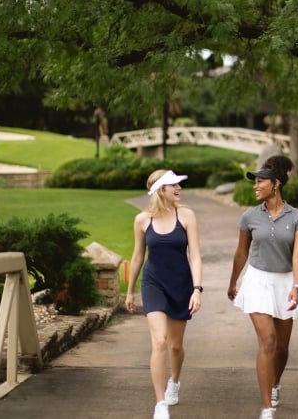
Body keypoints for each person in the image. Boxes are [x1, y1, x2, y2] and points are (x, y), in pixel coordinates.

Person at [227, 155, 298, 419]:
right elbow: (241, 253)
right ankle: (266, 408)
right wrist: (233, 282)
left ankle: (275, 383)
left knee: (282, 348)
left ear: (276, 184)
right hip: (257, 281)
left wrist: (296, 286)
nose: (255, 185)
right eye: (255, 182)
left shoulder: (297, 217)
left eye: (260, 181)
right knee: (268, 341)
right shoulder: (249, 216)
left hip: (285, 282)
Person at [126, 169, 203, 419]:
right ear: (161, 189)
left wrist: (197, 289)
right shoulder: (142, 220)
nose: (179, 188)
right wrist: (129, 291)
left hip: (180, 284)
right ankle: (160, 404)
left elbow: (196, 257)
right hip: (153, 284)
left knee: (175, 345)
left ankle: (175, 381)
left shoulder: (187, 215)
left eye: (179, 185)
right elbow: (137, 257)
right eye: (173, 185)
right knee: (159, 341)